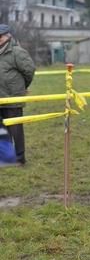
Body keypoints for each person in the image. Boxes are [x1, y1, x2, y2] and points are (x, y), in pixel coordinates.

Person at [0, 24, 35, 166]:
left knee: (16, 131)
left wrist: (22, 87)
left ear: (7, 36)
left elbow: (29, 71)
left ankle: (20, 159)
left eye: (0, 37)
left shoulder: (17, 52)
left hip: (12, 97)